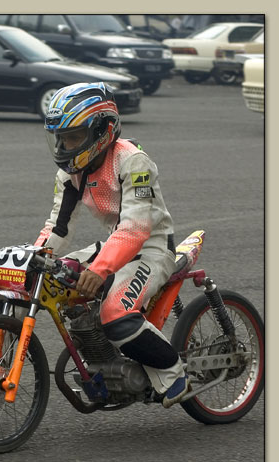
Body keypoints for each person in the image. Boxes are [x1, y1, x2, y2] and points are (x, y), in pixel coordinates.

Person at [36, 82, 189, 408]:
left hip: (153, 247)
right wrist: (34, 256)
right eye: (61, 137)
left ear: (102, 131)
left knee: (115, 314)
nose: (65, 146)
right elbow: (57, 227)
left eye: (73, 137)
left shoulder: (134, 162)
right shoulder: (72, 172)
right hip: (114, 245)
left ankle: (172, 370)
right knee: (41, 276)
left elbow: (135, 228)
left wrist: (101, 268)